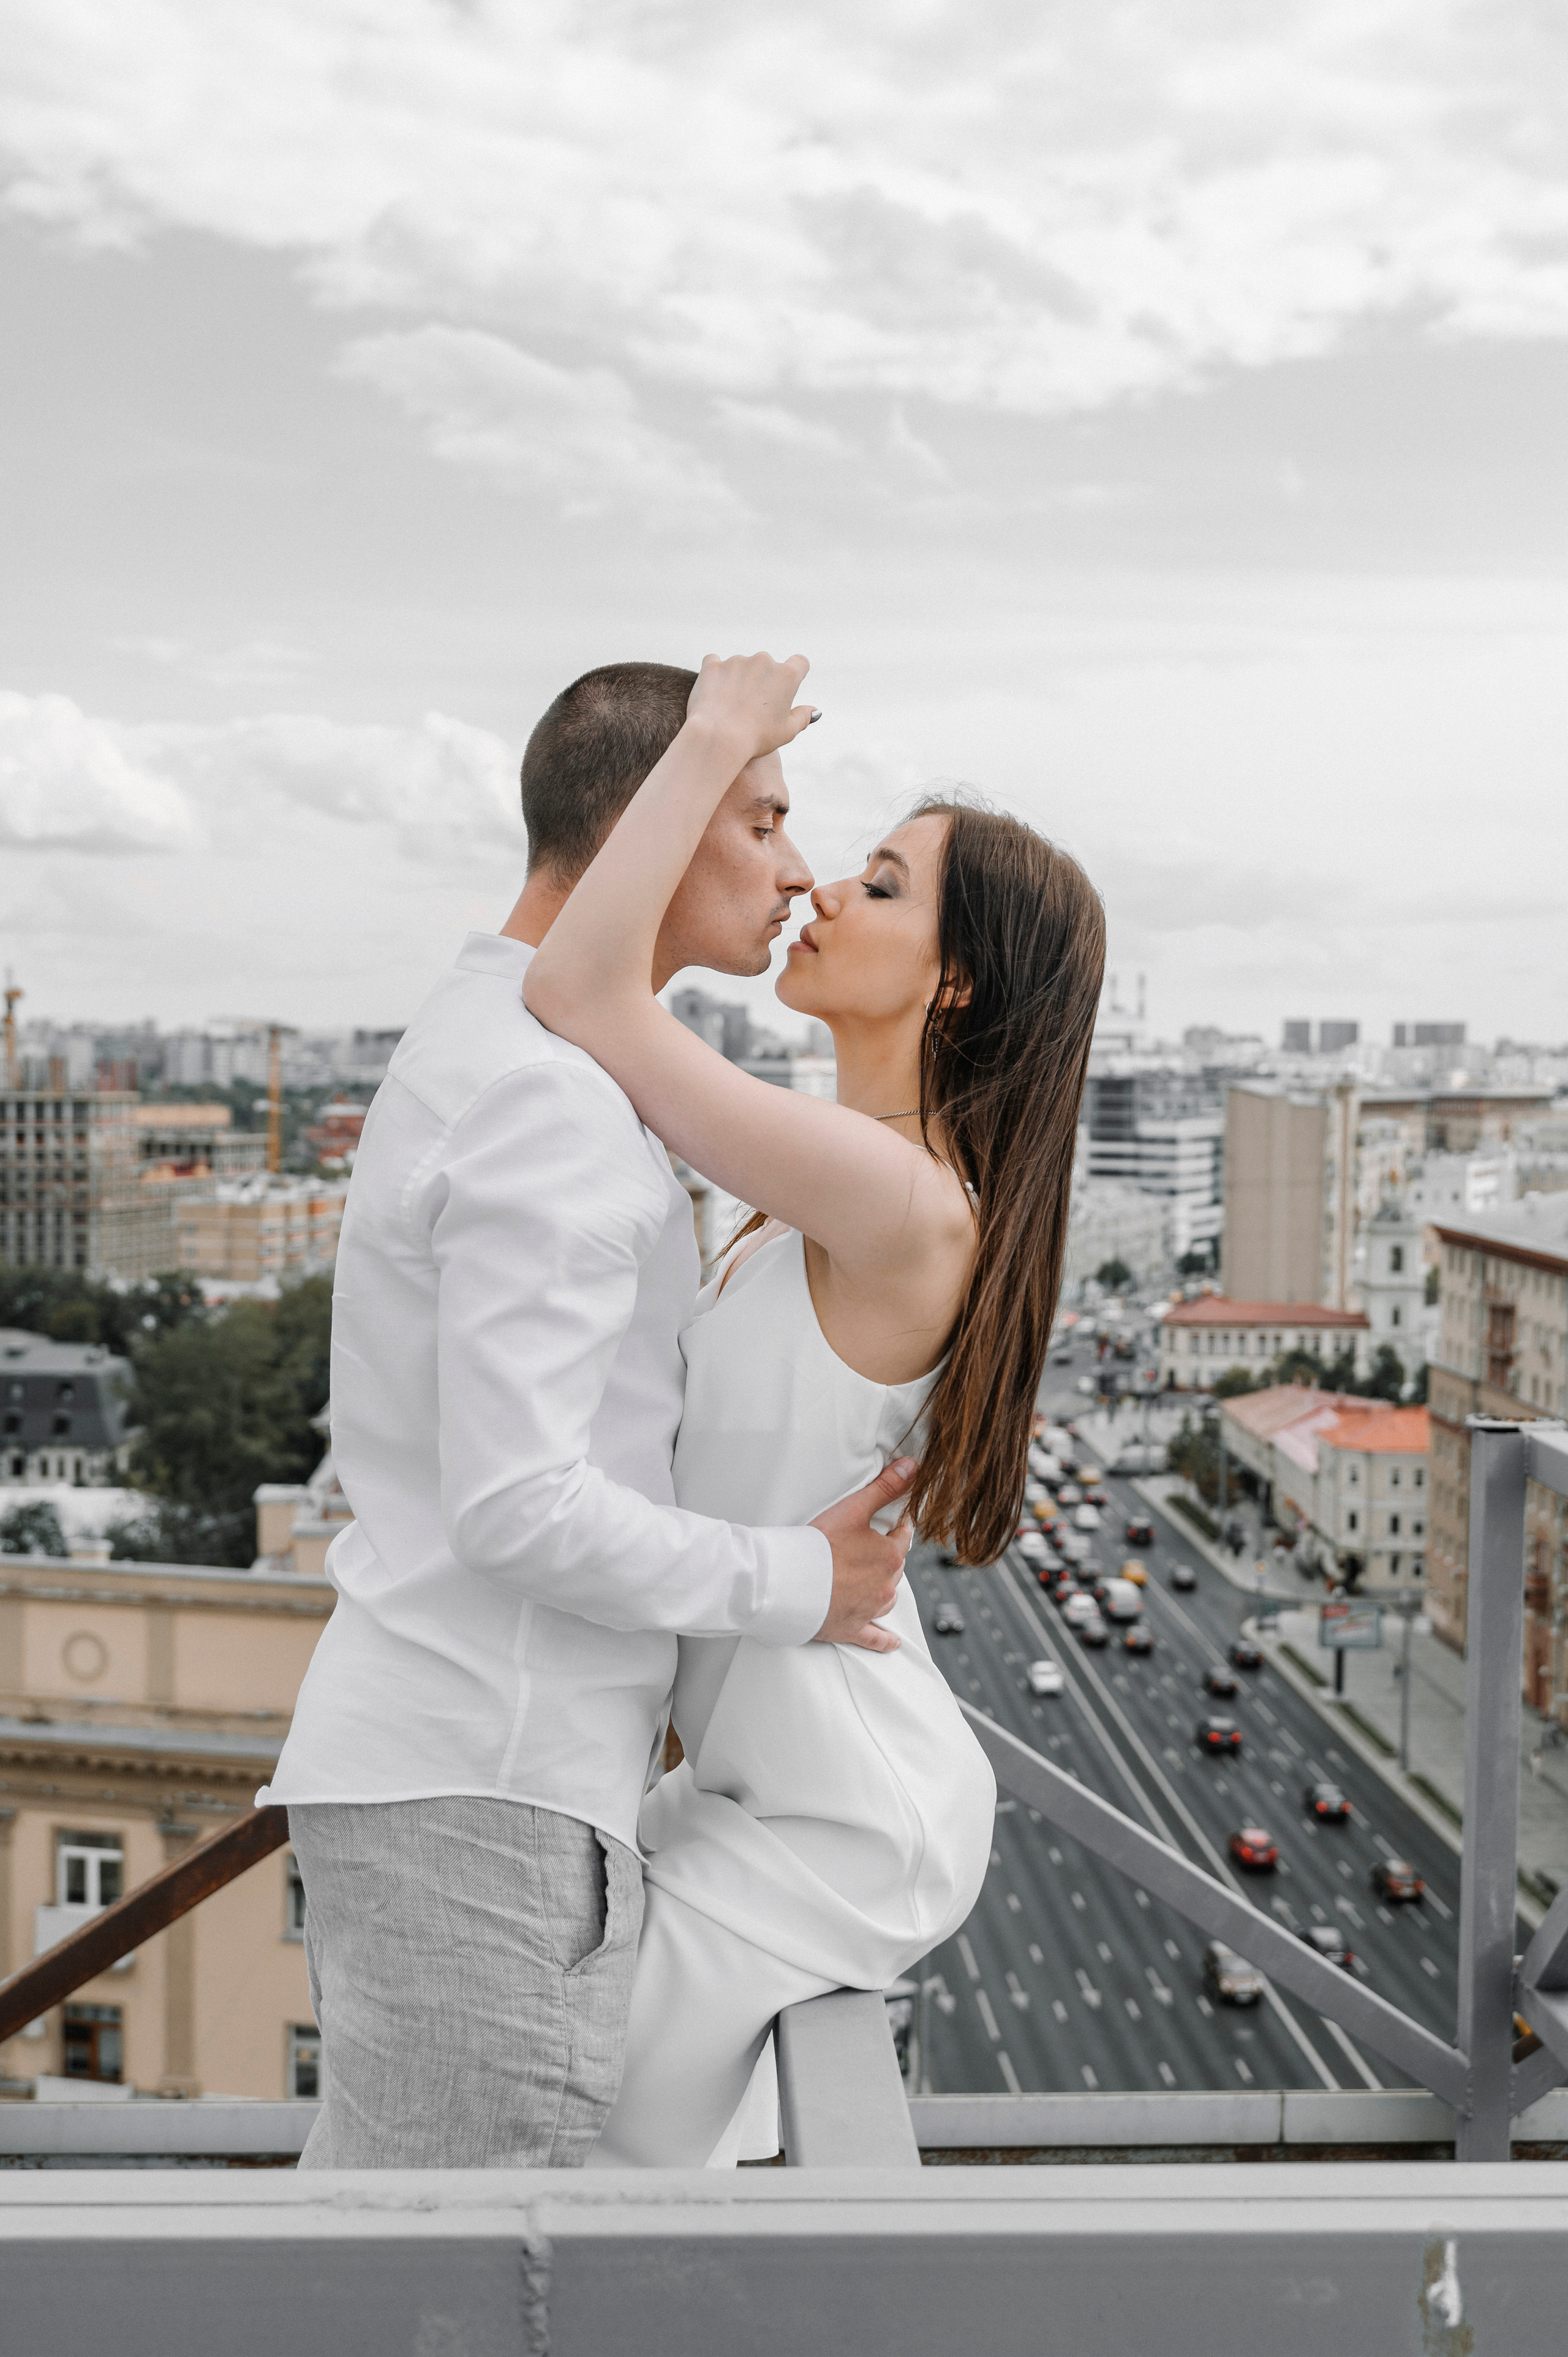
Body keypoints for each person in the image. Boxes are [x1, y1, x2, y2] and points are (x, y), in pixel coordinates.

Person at [262, 662, 918, 2169]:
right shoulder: (545, 1097)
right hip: (484, 1797)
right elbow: (519, 1502)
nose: (797, 867)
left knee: (405, 2266)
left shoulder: (494, 1043)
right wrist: (798, 1581)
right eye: (763, 816)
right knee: (483, 2294)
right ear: (656, 820)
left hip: (453, 1775)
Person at [523, 650, 1106, 2165]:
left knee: (573, 2172)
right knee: (579, 2162)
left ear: (955, 977)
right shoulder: (819, 1192)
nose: (823, 894)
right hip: (752, 1786)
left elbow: (576, 988)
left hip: (834, 1816)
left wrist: (711, 737)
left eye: (885, 885)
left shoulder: (894, 1197)